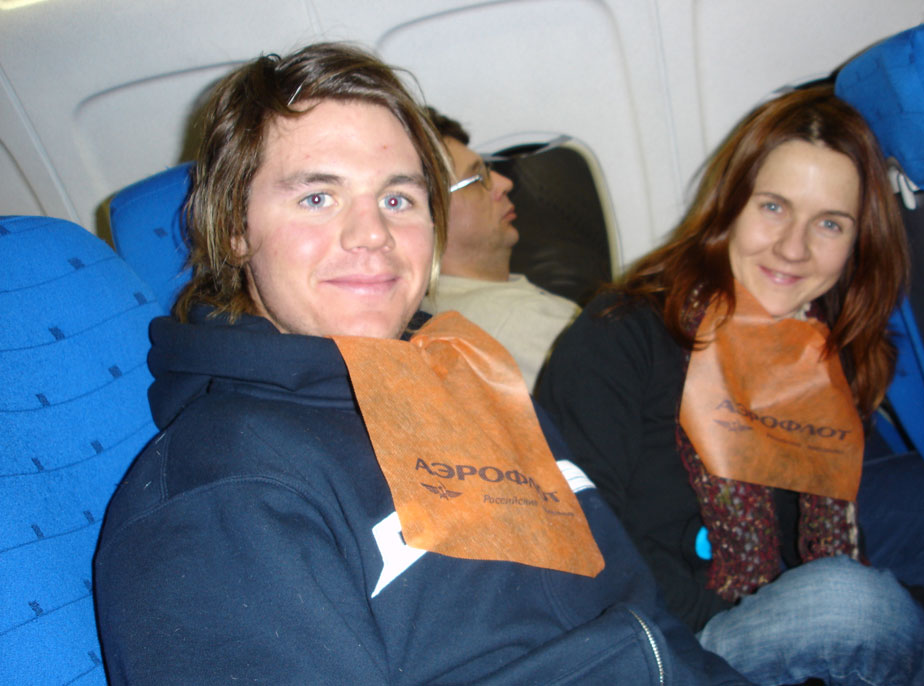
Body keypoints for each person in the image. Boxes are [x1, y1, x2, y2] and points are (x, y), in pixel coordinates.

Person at [91, 42, 750, 685]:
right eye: (317, 198)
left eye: (397, 199)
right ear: (235, 229)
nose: (373, 235)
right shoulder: (220, 495)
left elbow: (650, 620)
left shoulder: (470, 375)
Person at [537, 85, 924, 685]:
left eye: (829, 223)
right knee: (844, 604)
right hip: (664, 649)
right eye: (773, 207)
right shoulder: (620, 333)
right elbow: (585, 548)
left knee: (900, 554)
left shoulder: (821, 364)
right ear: (729, 205)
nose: (794, 247)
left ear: (857, 243)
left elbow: (818, 576)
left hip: (791, 629)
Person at [418, 107, 579, 390]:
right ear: (431, 214)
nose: (505, 183)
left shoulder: (438, 306)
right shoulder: (517, 322)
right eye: (478, 179)